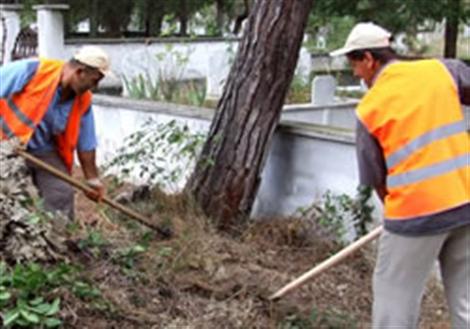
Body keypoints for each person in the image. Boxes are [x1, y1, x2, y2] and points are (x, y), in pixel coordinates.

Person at [330, 22, 470, 328]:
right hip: (465, 203)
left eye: (354, 63)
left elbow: (376, 179)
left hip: (416, 215)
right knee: (466, 302)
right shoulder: (443, 70)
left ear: (369, 58)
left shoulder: (371, 108)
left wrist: (398, 217)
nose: (355, 73)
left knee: (394, 306)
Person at [0, 46, 111, 220]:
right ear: (80, 72)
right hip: (5, 146)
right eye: (94, 80)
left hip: (43, 150)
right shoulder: (31, 71)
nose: (95, 86)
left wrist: (92, 180)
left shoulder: (83, 99)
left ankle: (60, 240)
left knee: (60, 193)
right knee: (11, 198)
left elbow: (86, 141)